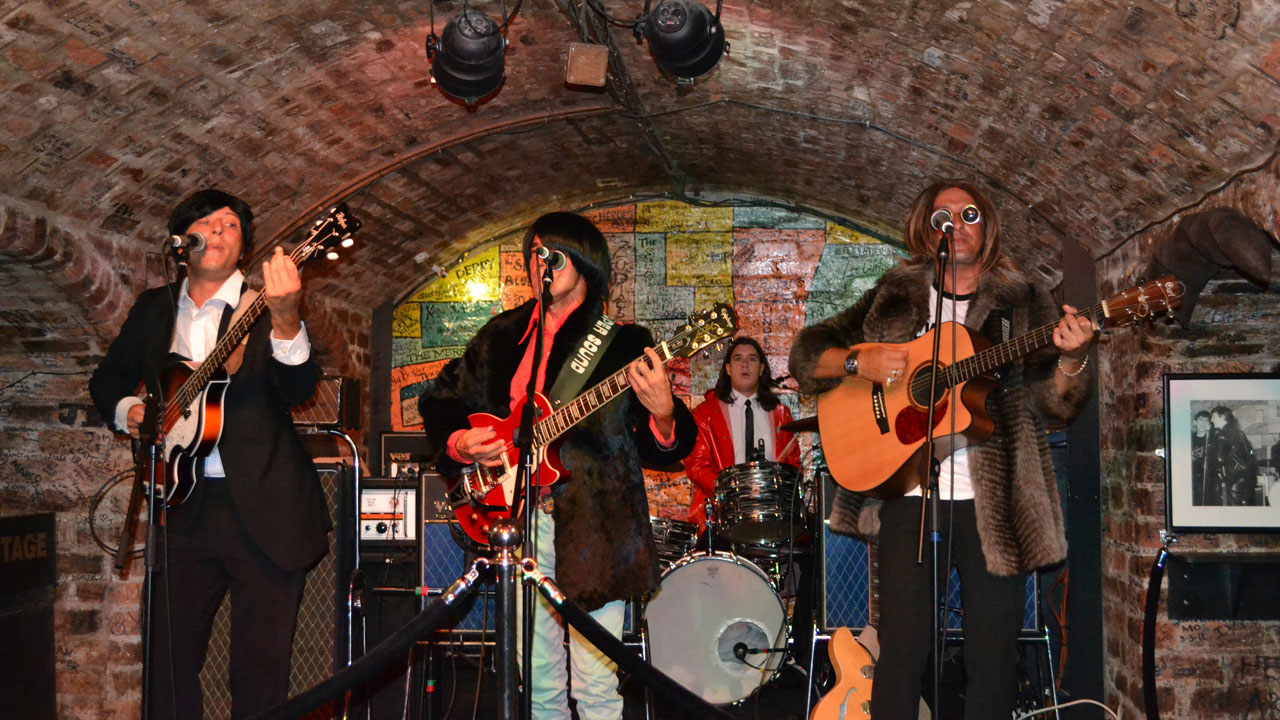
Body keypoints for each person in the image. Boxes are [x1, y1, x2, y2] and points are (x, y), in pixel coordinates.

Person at [788, 179, 1095, 720]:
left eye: (969, 214)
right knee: (901, 653)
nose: (957, 224)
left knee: (992, 658)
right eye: (943, 217)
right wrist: (859, 361)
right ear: (927, 232)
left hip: (995, 505)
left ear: (987, 226)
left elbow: (1055, 404)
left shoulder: (1022, 300)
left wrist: (1072, 360)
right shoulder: (895, 294)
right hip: (910, 496)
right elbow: (807, 355)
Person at [417, 211, 698, 720]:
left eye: (552, 254)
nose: (539, 263)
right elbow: (442, 399)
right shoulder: (502, 335)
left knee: (596, 684)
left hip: (596, 528)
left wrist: (664, 413)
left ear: (585, 262)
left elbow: (660, 448)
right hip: (519, 518)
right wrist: (459, 442)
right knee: (537, 680)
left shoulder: (623, 343)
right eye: (533, 253)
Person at [89, 189, 330, 719]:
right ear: (183, 241)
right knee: (165, 665)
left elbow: (299, 389)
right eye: (205, 221)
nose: (217, 229)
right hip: (179, 506)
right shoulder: (154, 309)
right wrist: (132, 411)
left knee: (259, 673)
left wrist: (287, 320)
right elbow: (106, 382)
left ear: (244, 248)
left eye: (230, 225)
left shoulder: (263, 304)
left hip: (264, 508)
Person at [684, 336, 802, 532]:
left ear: (761, 369)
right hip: (720, 516)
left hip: (770, 516)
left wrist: (773, 494)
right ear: (728, 369)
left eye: (752, 359)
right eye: (738, 359)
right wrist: (734, 494)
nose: (745, 364)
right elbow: (696, 466)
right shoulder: (705, 414)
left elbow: (793, 465)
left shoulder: (781, 414)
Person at [1208, 405, 1259, 506]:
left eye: (1213, 417)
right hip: (1247, 477)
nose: (1211, 420)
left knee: (1234, 510)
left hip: (1234, 480)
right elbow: (1251, 452)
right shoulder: (1238, 432)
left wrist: (1210, 452)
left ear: (1223, 417)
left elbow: (1219, 459)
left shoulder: (1222, 434)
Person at [1191, 410, 1214, 505]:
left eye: (1206, 420)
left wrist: (1211, 432)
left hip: (1205, 479)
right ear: (1195, 422)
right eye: (1201, 420)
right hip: (1191, 477)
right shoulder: (1189, 438)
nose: (1203, 423)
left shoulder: (1211, 439)